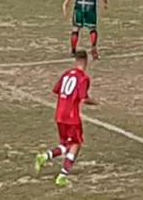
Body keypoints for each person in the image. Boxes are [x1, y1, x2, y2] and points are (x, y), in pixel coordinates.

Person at [33, 50, 98, 188]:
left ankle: (45, 157)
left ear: (76, 61)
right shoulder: (83, 78)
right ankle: (62, 176)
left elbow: (56, 90)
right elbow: (84, 99)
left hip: (60, 115)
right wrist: (96, 102)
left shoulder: (66, 74)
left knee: (66, 144)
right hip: (71, 117)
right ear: (86, 61)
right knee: (76, 144)